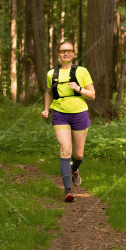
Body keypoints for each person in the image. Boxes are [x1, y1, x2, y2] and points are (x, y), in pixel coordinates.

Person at [41, 41, 96, 202]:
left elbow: (92, 95)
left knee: (78, 154)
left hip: (79, 113)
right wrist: (46, 109)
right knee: (65, 149)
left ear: (73, 53)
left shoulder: (82, 71)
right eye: (62, 51)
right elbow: (49, 93)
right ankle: (68, 191)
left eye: (69, 51)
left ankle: (75, 169)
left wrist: (78, 88)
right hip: (60, 114)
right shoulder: (52, 74)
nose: (66, 53)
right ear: (58, 54)